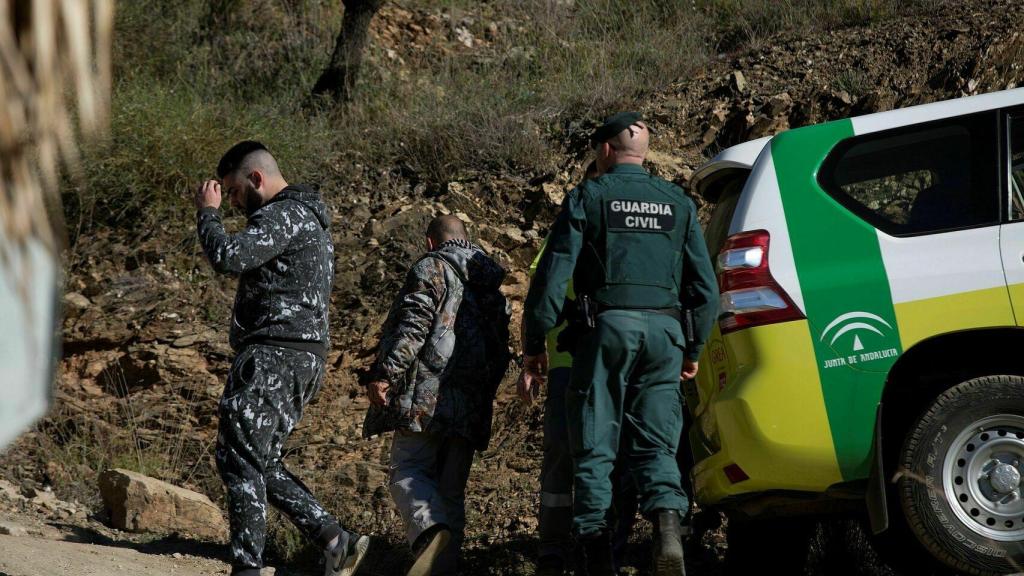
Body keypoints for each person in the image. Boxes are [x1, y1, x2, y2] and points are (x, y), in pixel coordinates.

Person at [520, 113, 718, 576]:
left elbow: (551, 280)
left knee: (595, 446)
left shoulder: (588, 197)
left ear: (605, 149)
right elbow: (704, 290)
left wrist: (534, 343)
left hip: (606, 333)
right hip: (666, 337)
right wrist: (693, 350)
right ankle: (667, 528)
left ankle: (596, 559)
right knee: (656, 443)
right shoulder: (677, 202)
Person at [195, 140, 369, 576]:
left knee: (241, 459)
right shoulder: (308, 218)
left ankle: (248, 567)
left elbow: (229, 256)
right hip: (297, 355)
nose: (233, 202)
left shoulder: (283, 215)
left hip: (275, 353)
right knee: (255, 458)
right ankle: (335, 540)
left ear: (256, 178)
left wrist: (208, 213)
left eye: (234, 192)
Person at [363, 215, 511, 576]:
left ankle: (430, 533)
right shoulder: (491, 284)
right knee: (451, 491)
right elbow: (500, 350)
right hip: (472, 400)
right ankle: (445, 566)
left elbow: (414, 325)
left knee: (407, 471)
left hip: (426, 393)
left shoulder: (432, 267)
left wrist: (386, 373)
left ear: (431, 242)